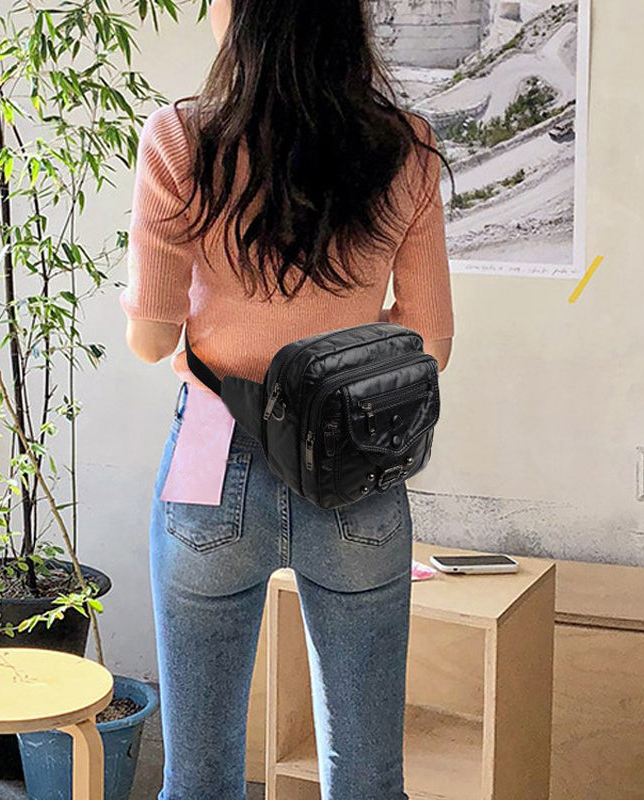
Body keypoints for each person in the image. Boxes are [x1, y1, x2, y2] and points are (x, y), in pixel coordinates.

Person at [120, 1, 455, 797]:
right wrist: (335, 346)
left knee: (198, 778)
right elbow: (430, 344)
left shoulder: (180, 139)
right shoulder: (404, 148)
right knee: (367, 777)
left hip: (211, 441)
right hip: (356, 458)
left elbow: (151, 341)